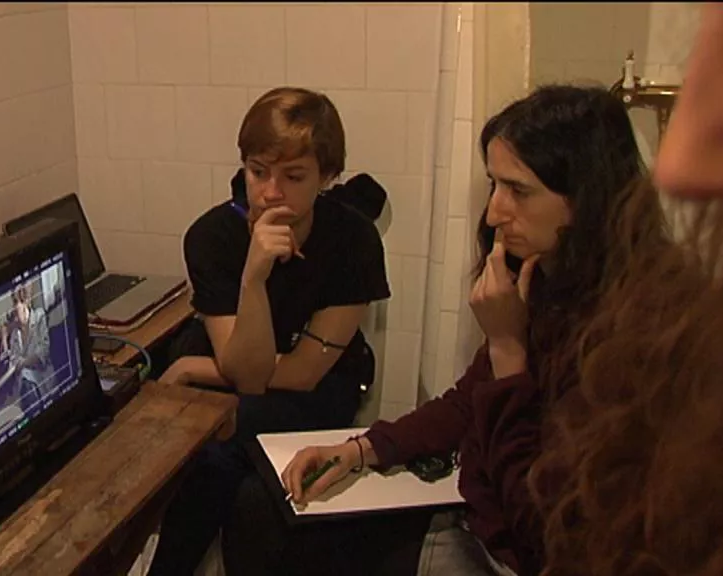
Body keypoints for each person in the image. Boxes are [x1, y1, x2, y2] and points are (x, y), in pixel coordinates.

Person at [222, 84, 649, 576]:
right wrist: (360, 450)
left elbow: (541, 529)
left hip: (510, 555)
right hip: (476, 519)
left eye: (518, 191)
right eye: (494, 185)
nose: (494, 212)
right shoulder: (544, 282)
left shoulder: (626, 335)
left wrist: (508, 348)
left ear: (587, 198)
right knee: (262, 504)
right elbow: (468, 402)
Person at [529, 3, 723, 575]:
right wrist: (366, 447)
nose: (677, 164)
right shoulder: (538, 283)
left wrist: (504, 357)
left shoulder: (646, 312)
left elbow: (534, 510)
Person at [147, 86, 391, 575]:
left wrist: (192, 367)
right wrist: (253, 277)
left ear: (327, 177)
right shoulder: (212, 237)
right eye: (258, 172)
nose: (271, 192)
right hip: (241, 374)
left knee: (220, 457)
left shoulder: (353, 239)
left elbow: (299, 374)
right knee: (211, 461)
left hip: (320, 384)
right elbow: (245, 371)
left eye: (294, 176)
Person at [6, 283, 52, 413]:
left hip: (43, 377)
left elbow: (43, 352)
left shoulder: (39, 317)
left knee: (26, 375)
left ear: (25, 302)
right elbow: (13, 362)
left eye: (16, 302)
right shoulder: (15, 334)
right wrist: (22, 363)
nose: (14, 308)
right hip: (24, 387)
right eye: (13, 303)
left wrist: (23, 362)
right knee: (25, 379)